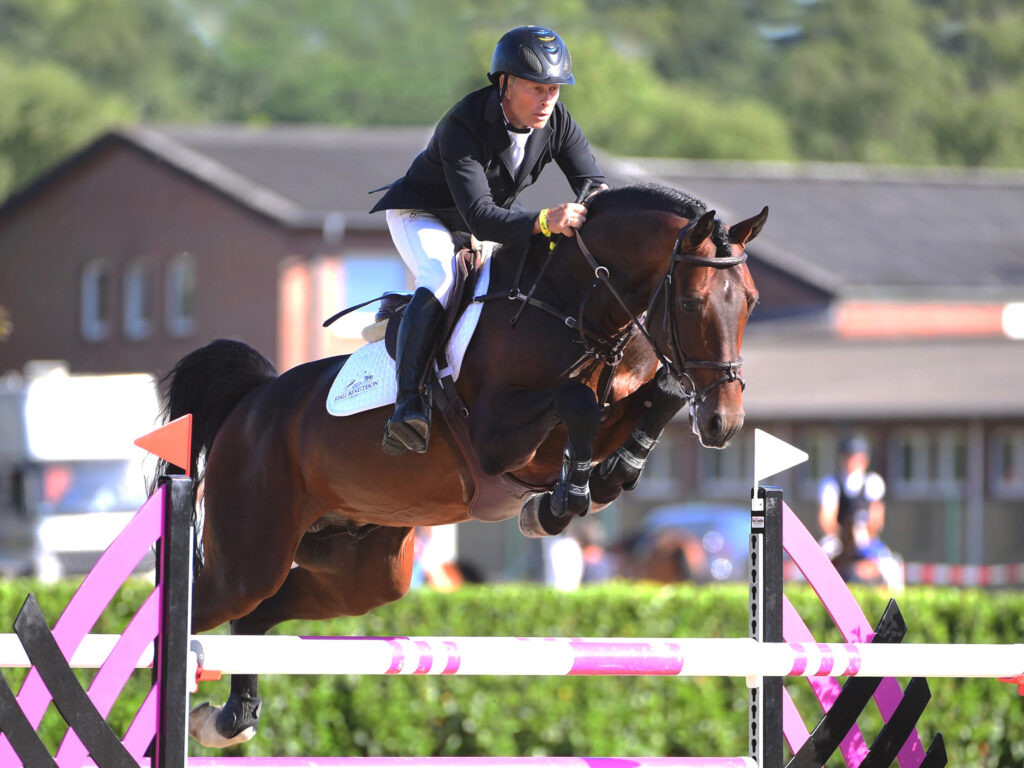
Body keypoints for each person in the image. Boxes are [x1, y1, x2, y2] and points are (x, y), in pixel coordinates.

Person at [369, 25, 608, 456]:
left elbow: (592, 181)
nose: (547, 101)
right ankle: (408, 406)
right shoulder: (463, 125)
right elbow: (480, 216)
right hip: (422, 214)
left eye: (554, 90)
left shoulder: (557, 121)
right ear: (505, 83)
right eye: (537, 89)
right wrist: (544, 221)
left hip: (480, 223)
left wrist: (602, 216)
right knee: (442, 275)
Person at [818, 435, 899, 587]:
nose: (853, 462)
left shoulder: (873, 482)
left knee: (891, 567)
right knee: (816, 562)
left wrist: (861, 536)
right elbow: (827, 518)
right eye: (849, 457)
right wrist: (843, 536)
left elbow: (876, 519)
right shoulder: (831, 483)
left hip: (865, 538)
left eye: (857, 457)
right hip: (839, 538)